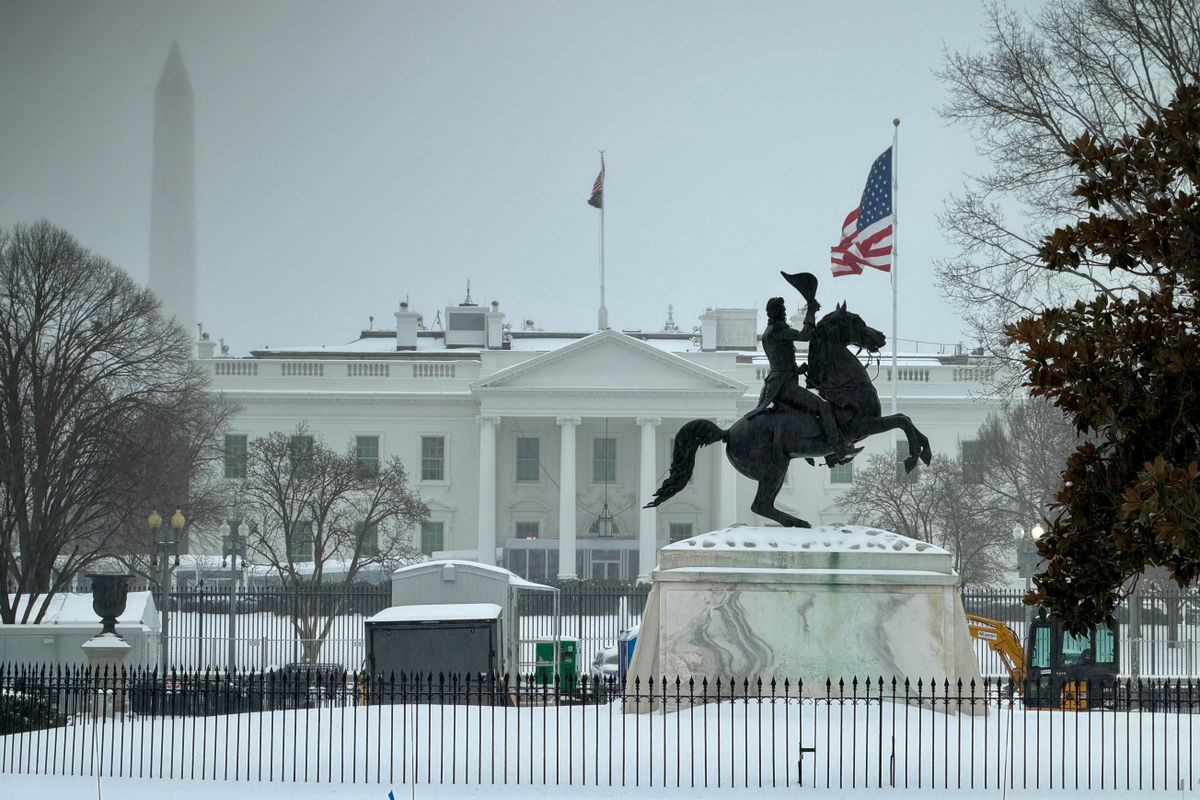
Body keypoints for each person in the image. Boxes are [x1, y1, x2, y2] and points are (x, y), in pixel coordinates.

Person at [746, 296, 859, 462]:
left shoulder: (768, 331)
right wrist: (810, 312)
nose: (785, 313)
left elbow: (780, 363)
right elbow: (805, 335)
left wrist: (798, 370)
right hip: (784, 387)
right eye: (783, 311)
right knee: (823, 406)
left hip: (778, 382)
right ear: (777, 312)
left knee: (809, 410)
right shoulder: (777, 329)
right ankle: (838, 449)